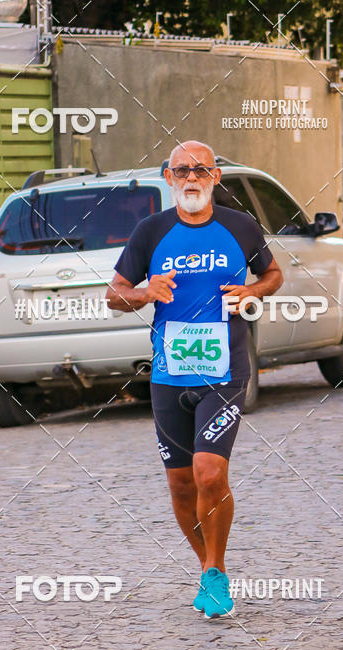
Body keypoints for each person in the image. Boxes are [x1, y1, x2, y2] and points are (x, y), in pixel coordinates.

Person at [106, 141, 283, 618]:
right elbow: (114, 295)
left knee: (210, 471)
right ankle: (207, 569)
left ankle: (216, 572)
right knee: (182, 486)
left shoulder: (240, 227)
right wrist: (144, 293)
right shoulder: (151, 231)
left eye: (201, 170)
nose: (191, 177)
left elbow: (273, 274)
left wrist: (251, 289)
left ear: (215, 177)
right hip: (168, 374)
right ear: (168, 177)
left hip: (224, 371)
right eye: (182, 170)